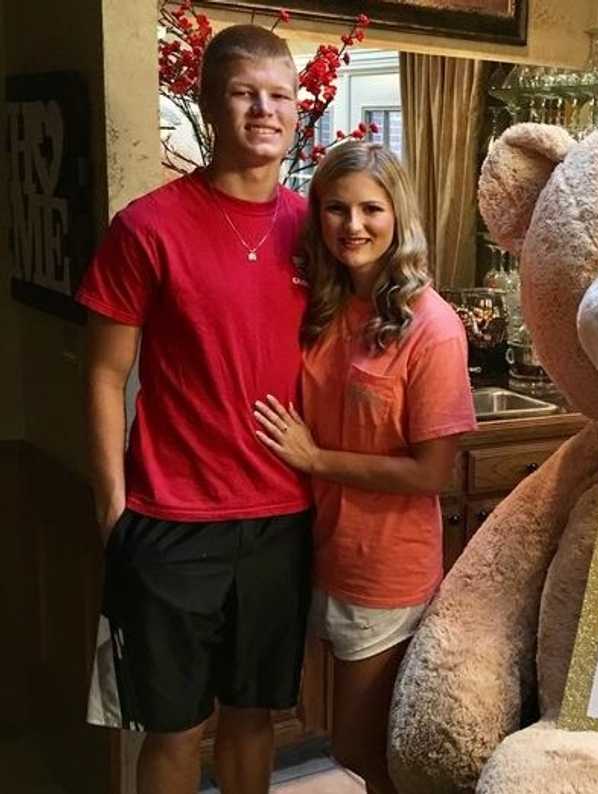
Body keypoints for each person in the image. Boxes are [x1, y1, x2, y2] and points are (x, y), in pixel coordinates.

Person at [80, 25, 313, 794]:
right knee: (173, 727)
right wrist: (113, 508)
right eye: (245, 92)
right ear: (211, 102)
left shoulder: (317, 230)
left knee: (253, 720)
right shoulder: (146, 227)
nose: (263, 110)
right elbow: (105, 374)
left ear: (298, 106)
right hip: (171, 521)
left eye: (279, 94)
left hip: (281, 517)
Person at [251, 141, 476, 793]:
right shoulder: (322, 306)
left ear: (397, 216)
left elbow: (433, 473)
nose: (353, 225)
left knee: (362, 747)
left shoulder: (431, 327)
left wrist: (316, 458)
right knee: (333, 737)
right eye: (336, 209)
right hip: (313, 548)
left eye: (371, 209)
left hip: (384, 565)